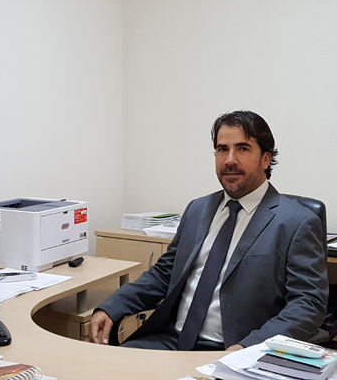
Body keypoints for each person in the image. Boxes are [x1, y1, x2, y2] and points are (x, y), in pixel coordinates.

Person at [89, 110, 328, 351]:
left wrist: (249, 347)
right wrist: (112, 307)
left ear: (265, 159)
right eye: (222, 149)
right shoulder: (197, 209)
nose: (230, 160)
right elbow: (165, 274)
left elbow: (308, 303)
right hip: (170, 340)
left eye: (243, 149)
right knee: (100, 367)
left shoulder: (298, 222)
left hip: (235, 351)